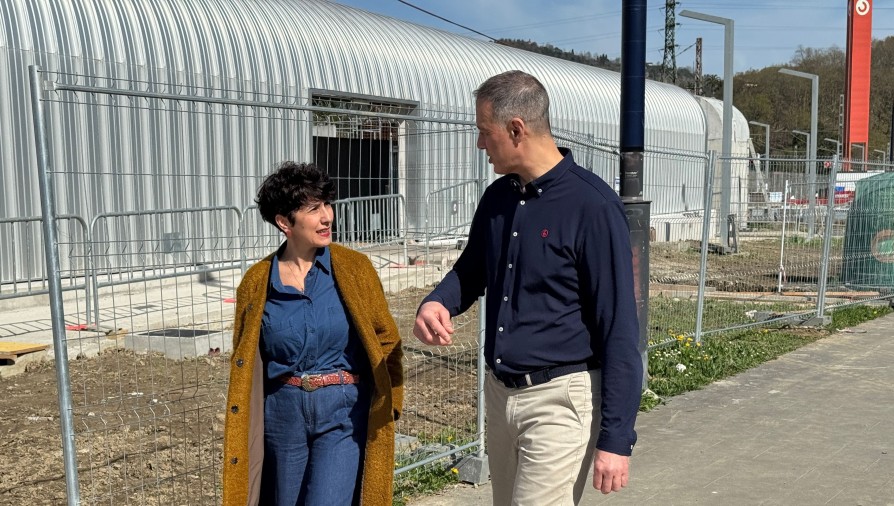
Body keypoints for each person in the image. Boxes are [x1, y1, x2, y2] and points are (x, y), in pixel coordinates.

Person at [413, 70, 642, 505]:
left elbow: (620, 330)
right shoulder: (498, 198)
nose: (480, 144)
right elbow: (472, 269)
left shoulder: (593, 207)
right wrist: (437, 301)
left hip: (560, 400)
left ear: (516, 129)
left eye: (485, 132)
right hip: (500, 396)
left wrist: (616, 439)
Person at [222, 161, 403, 506]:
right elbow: (245, 361)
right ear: (283, 222)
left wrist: (391, 401)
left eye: (327, 204)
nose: (327, 216)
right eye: (313, 208)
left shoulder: (354, 269)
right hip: (282, 414)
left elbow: (386, 336)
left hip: (343, 410)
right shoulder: (257, 283)